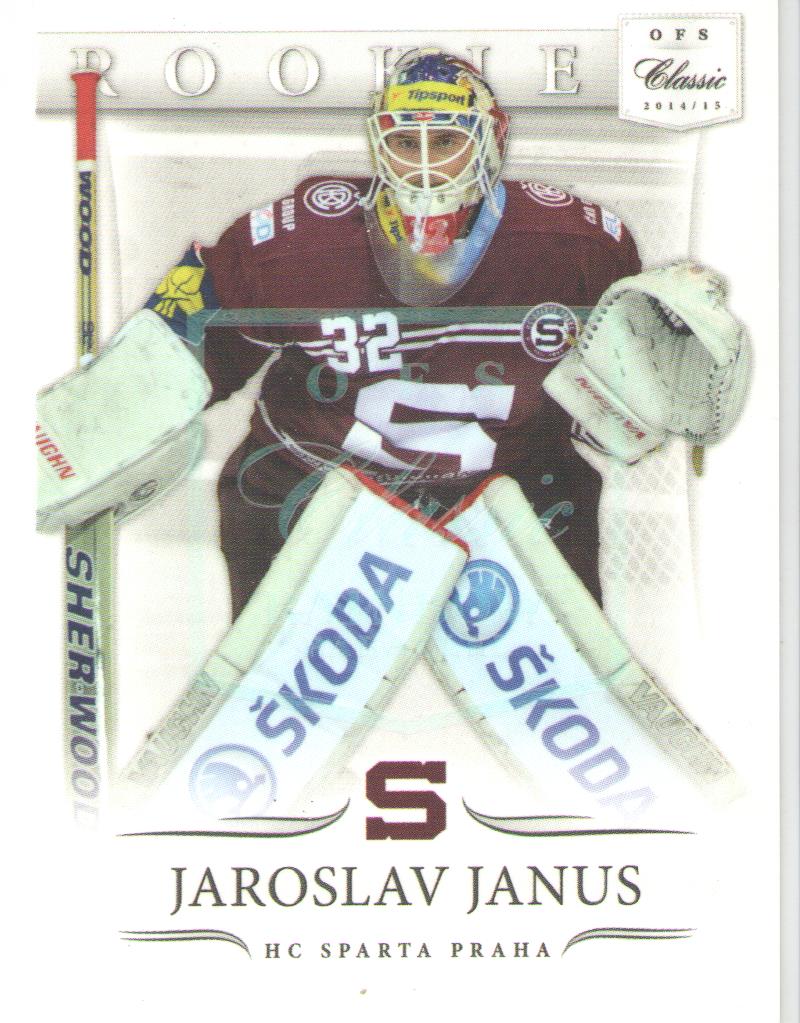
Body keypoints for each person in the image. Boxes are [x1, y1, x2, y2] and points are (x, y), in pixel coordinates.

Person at [145, 48, 641, 618]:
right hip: (315, 489)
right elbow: (169, 355)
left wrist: (656, 391)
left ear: (491, 140)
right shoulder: (293, 242)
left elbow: (630, 389)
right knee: (268, 658)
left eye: (446, 141)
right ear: (380, 145)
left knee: (572, 663)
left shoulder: (577, 246)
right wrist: (112, 419)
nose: (425, 166)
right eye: (406, 143)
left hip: (510, 498)